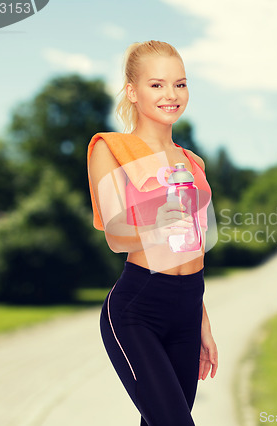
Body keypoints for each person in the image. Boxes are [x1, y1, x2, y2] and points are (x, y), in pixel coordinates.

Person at [87, 40, 218, 426]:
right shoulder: (110, 148)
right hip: (138, 308)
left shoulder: (193, 163)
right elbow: (115, 235)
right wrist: (156, 224)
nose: (171, 95)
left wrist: (202, 322)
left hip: (188, 307)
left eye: (180, 84)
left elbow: (193, 248)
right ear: (133, 91)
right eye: (157, 84)